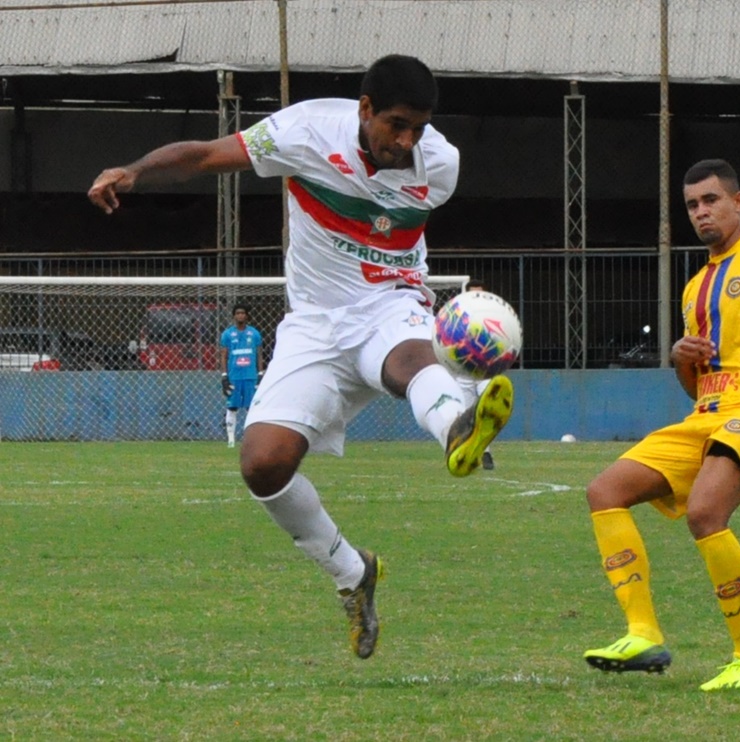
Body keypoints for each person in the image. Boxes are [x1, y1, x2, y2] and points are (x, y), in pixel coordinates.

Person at [88, 54, 514, 661]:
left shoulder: (439, 164)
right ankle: (352, 572)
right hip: (313, 326)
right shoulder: (305, 131)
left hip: (390, 303)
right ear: (363, 109)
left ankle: (460, 429)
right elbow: (207, 155)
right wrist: (132, 172)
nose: (407, 140)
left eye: (418, 127)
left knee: (409, 359)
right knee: (263, 464)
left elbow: (394, 233)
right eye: (395, 124)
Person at [582, 159, 740, 691]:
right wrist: (680, 358)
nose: (701, 212)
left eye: (711, 200)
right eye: (692, 205)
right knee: (605, 492)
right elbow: (696, 385)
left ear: (739, 202)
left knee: (706, 512)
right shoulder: (695, 288)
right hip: (706, 415)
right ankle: (642, 632)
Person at [455, 278, 495, 470]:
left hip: (485, 369)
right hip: (463, 371)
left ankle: (485, 452)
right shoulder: (457, 316)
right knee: (466, 414)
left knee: (487, 406)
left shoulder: (495, 315)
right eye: (472, 293)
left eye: (479, 293)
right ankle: (470, 452)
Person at [219, 304, 264, 448]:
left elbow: (259, 355)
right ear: (234, 316)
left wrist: (260, 373)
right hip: (234, 376)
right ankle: (231, 440)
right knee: (232, 407)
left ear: (247, 316)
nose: (240, 316)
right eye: (238, 313)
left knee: (252, 408)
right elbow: (224, 356)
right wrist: (224, 375)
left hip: (250, 376)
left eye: (243, 313)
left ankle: (250, 439)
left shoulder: (254, 334)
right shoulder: (227, 334)